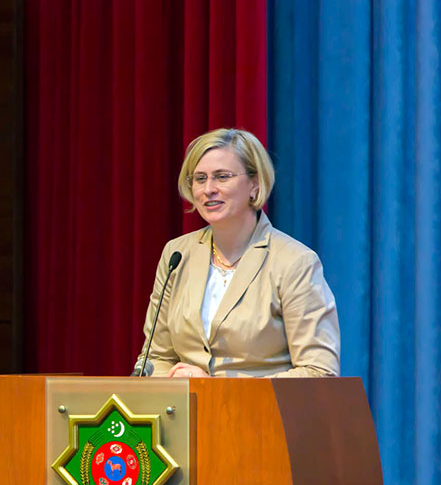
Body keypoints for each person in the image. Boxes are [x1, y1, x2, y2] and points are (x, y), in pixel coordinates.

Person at [136, 128, 340, 378]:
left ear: (255, 184)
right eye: (200, 179)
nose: (208, 189)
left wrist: (215, 391)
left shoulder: (294, 262)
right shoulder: (177, 254)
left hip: (263, 415)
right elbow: (155, 358)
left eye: (222, 177)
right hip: (186, 413)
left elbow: (319, 372)